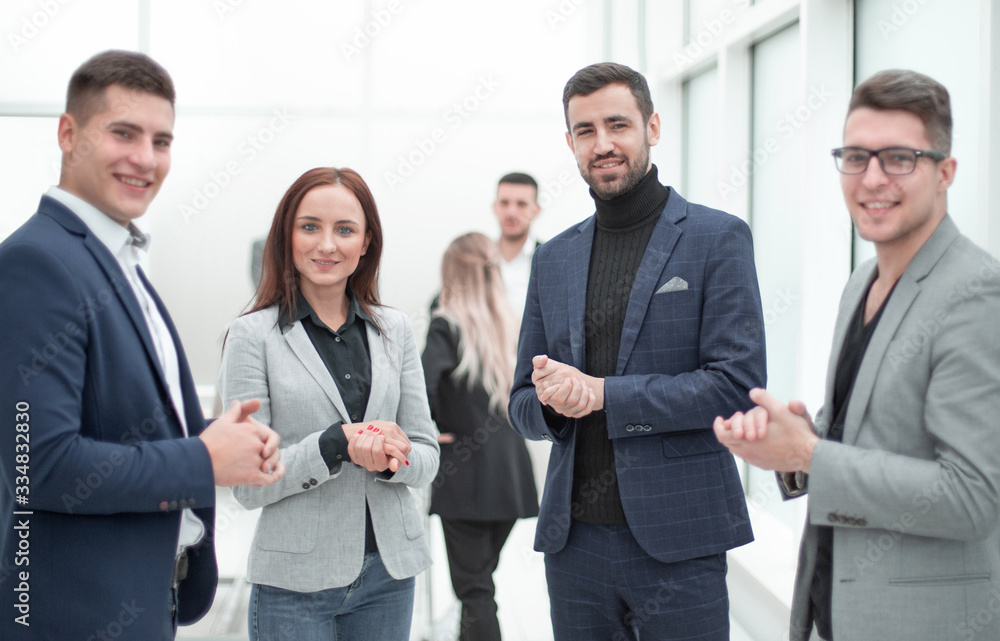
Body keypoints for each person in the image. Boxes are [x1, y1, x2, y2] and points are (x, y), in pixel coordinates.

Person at [0, 50, 284, 641]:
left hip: (140, 598)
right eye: (123, 134)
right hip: (71, 615)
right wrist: (204, 460)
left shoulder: (116, 260)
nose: (145, 159)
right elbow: (38, 465)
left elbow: (113, 423)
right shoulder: (37, 263)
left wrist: (213, 435)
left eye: (162, 141)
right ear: (68, 133)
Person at [714, 69, 1000, 641]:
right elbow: (867, 438)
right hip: (835, 612)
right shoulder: (862, 280)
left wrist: (813, 454)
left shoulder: (976, 293)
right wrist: (792, 447)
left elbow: (972, 497)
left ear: (945, 172)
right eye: (855, 156)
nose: (872, 179)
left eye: (899, 158)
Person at [507, 62, 766, 640]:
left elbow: (736, 386)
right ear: (570, 142)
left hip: (681, 542)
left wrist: (604, 395)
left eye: (617, 124)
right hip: (574, 549)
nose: (603, 144)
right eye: (585, 130)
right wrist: (554, 401)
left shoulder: (716, 238)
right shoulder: (554, 259)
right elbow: (520, 404)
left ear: (652, 126)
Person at [218, 166, 440, 641]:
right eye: (310, 227)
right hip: (294, 582)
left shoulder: (394, 330)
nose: (326, 245)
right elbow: (247, 485)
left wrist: (388, 458)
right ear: (286, 237)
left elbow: (427, 455)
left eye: (345, 230)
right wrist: (335, 444)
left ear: (365, 244)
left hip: (390, 573)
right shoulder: (251, 336)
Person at [422, 232, 539, 641]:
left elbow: (421, 387)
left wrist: (431, 430)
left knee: (474, 591)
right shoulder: (512, 325)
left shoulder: (445, 325)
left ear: (452, 273)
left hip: (466, 480)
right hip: (510, 476)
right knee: (480, 581)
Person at [493, 172, 542, 323]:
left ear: (536, 211)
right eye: (504, 203)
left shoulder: (553, 261)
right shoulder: (475, 259)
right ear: (495, 207)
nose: (511, 212)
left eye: (521, 204)